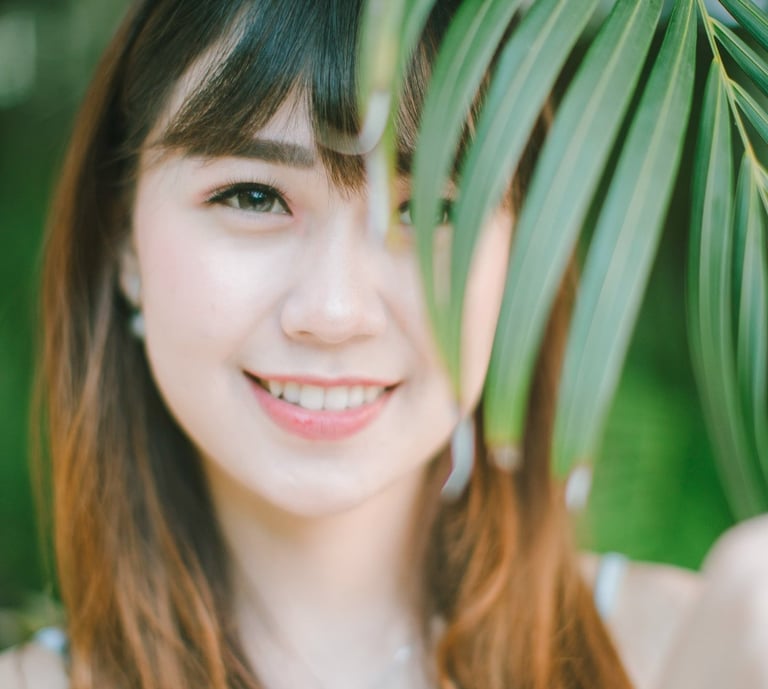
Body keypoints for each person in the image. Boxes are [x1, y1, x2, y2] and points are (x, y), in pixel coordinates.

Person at [1, 0, 768, 688]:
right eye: (252, 195)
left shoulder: (700, 656)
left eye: (429, 211)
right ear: (122, 243)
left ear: (517, 255)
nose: (334, 311)